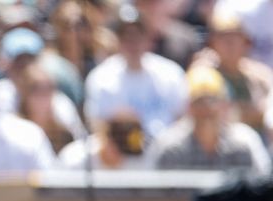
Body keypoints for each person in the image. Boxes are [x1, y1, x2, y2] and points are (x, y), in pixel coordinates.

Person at [84, 5, 187, 141]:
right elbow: (97, 126)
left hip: (166, 155)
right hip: (121, 155)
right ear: (118, 40)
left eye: (138, 35)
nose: (133, 43)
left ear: (148, 38)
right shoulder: (101, 77)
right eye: (127, 36)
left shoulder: (171, 73)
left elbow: (183, 120)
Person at [149, 66, 271, 177]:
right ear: (188, 107)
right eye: (199, 101)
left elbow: (263, 184)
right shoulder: (170, 147)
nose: (206, 109)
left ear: (224, 105)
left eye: (212, 100)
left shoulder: (244, 142)